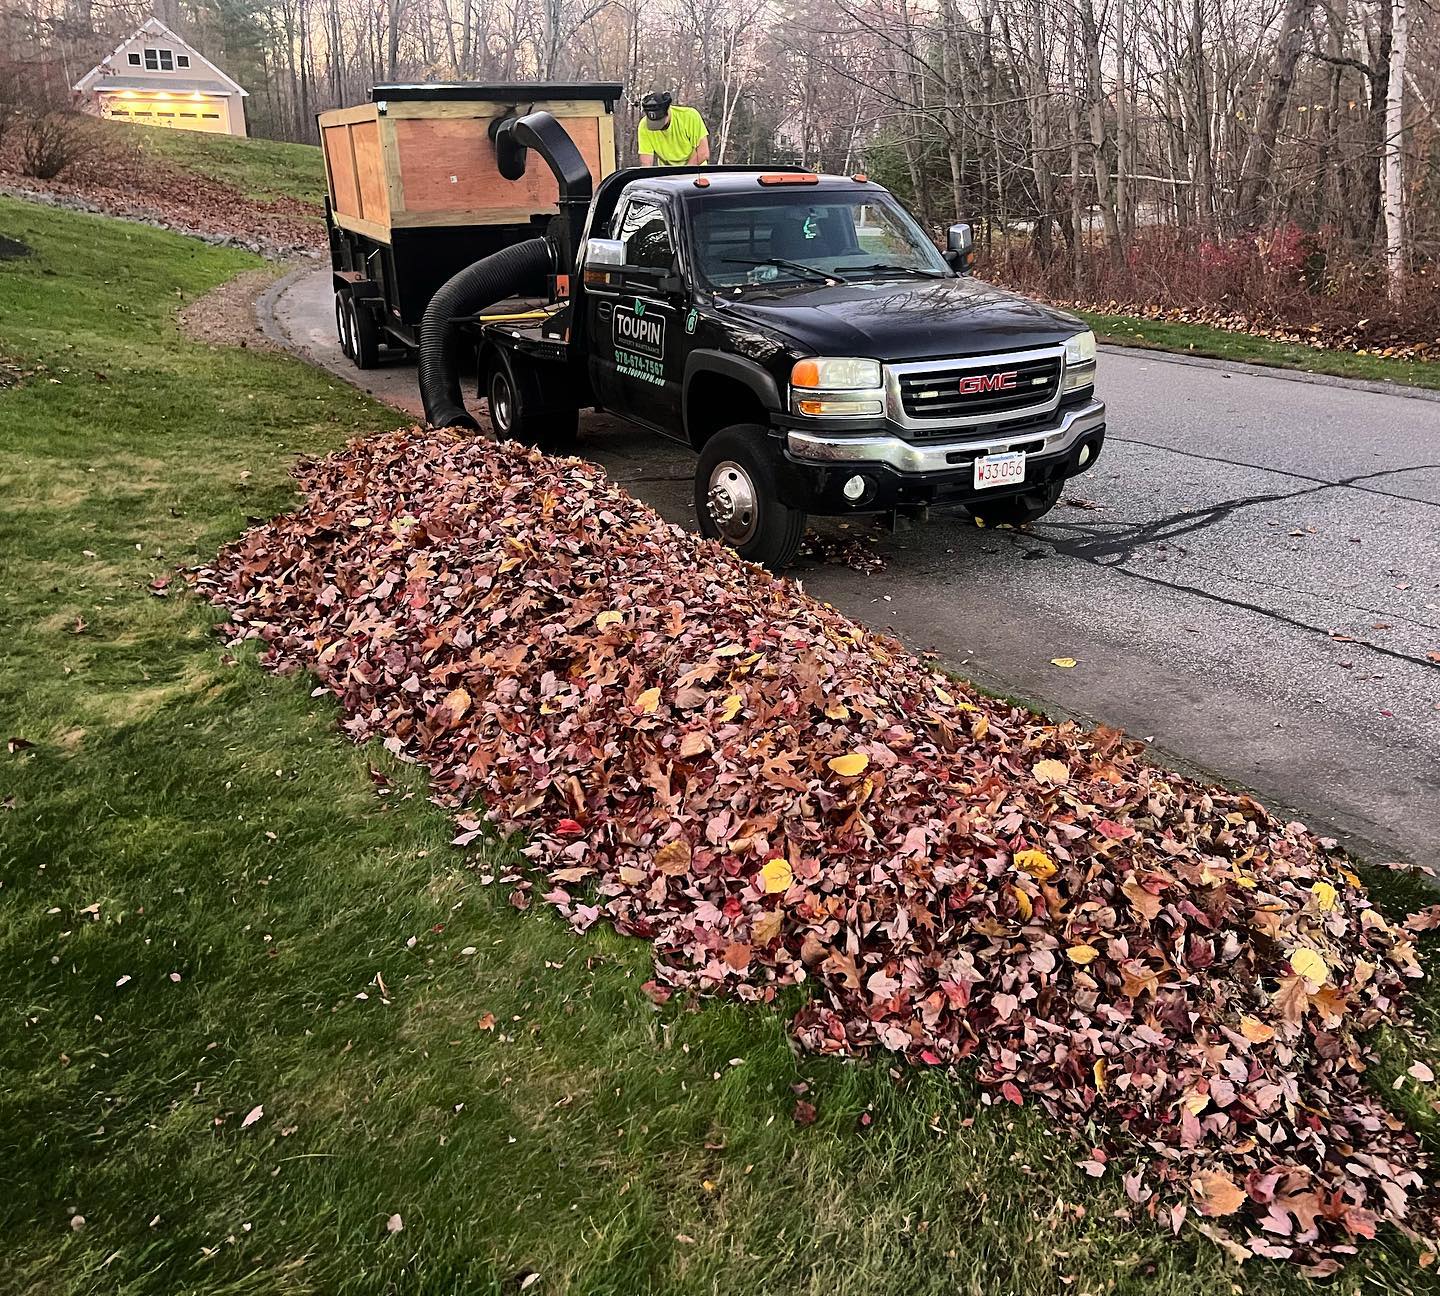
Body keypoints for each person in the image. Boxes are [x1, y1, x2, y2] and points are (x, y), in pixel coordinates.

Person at [636, 91, 710, 167]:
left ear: (668, 110)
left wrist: (684, 173)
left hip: (696, 169)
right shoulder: (644, 125)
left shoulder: (689, 116)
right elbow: (646, 162)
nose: (658, 127)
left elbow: (703, 152)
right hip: (667, 174)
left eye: (659, 122)